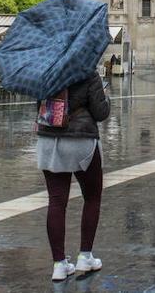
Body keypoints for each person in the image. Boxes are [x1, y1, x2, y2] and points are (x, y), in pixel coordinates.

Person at [39, 74, 110, 281]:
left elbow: (40, 107)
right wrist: (105, 98)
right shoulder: (87, 73)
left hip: (49, 141)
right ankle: (85, 256)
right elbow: (100, 113)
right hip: (80, 141)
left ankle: (59, 265)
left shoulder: (46, 71)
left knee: (56, 202)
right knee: (92, 197)